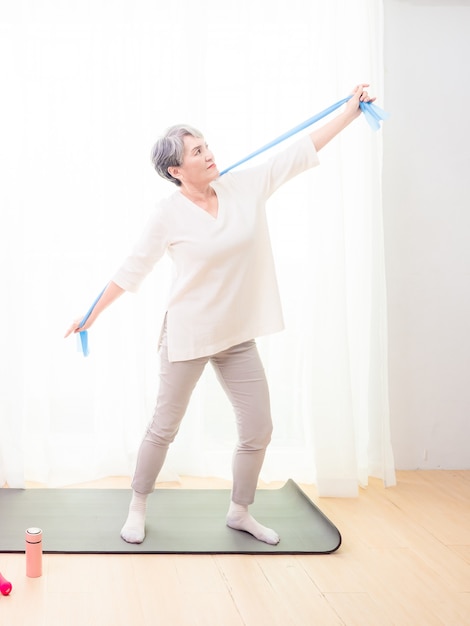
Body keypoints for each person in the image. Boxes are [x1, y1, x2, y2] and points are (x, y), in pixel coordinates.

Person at [65, 84, 375, 545]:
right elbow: (133, 269)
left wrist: (350, 112)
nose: (209, 154)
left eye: (206, 145)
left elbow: (297, 153)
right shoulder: (166, 214)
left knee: (259, 427)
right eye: (196, 151)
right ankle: (137, 504)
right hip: (188, 334)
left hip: (235, 334)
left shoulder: (243, 187)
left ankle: (240, 510)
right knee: (163, 427)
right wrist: (92, 314)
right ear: (176, 169)